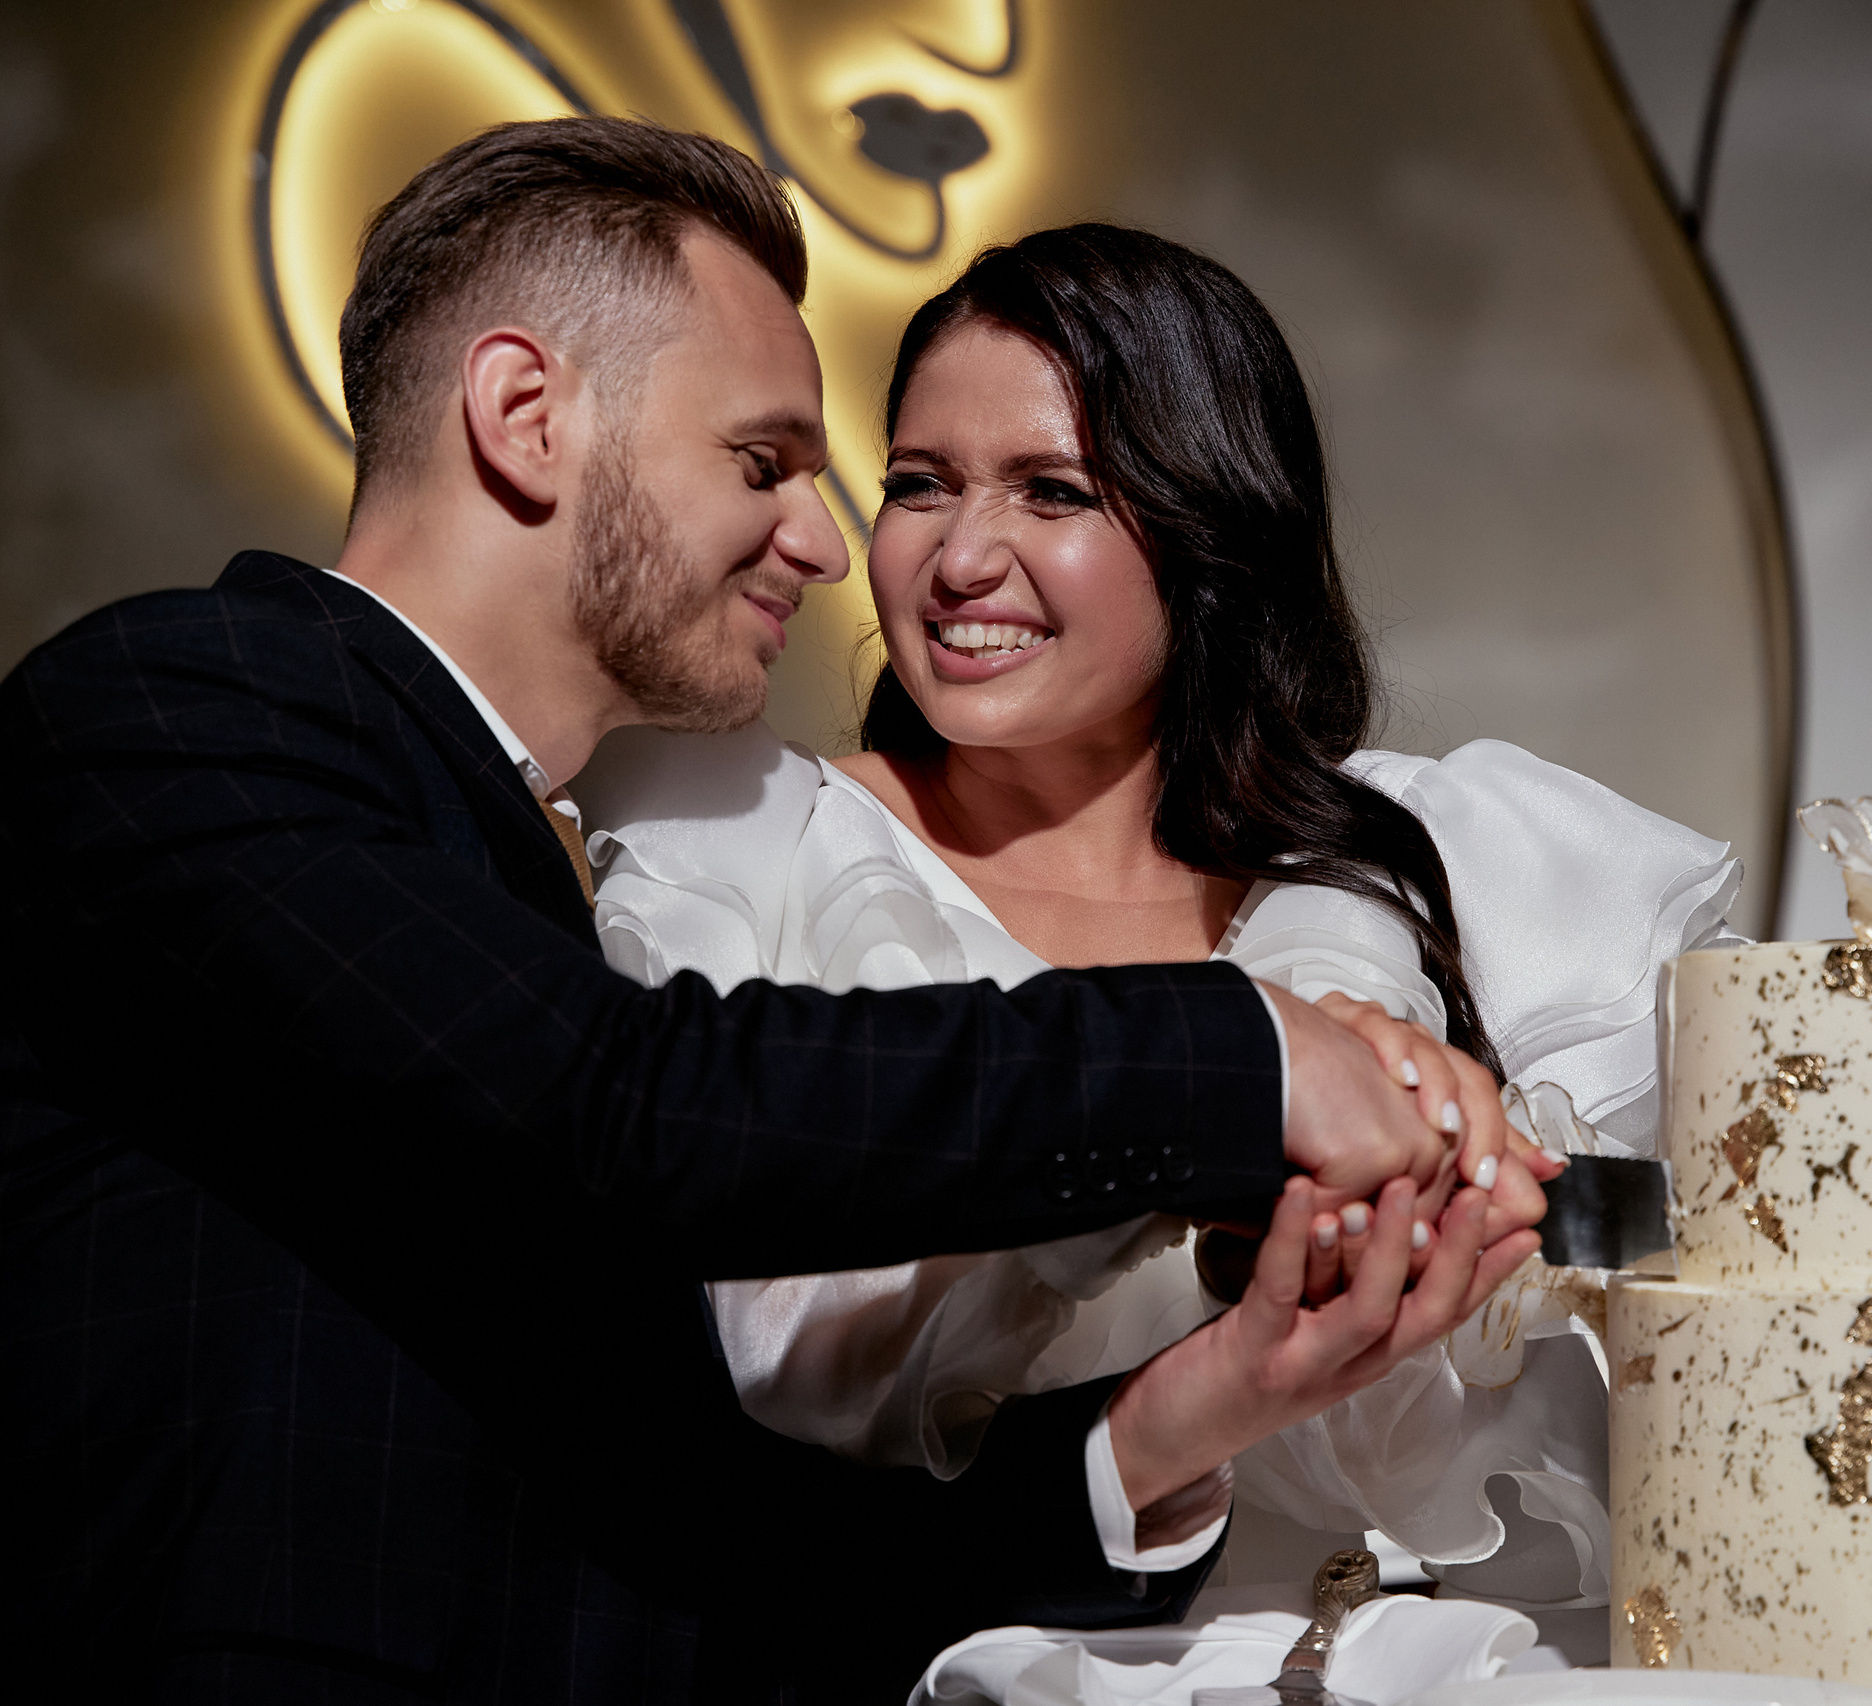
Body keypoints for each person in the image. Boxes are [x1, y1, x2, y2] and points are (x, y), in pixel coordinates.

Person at [0, 122, 1548, 1704]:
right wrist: (1243, 1055)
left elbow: (716, 1555)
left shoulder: (518, 874)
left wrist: (1180, 1414)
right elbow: (625, 1107)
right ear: (525, 416)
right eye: (763, 462)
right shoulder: (174, 703)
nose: (828, 545)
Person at [576, 224, 1746, 1622]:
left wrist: (1478, 1210)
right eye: (920, 484)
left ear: (1210, 531)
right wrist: (1189, 1148)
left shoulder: (1413, 860)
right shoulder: (745, 841)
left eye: (1052, 492)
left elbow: (1724, 1250)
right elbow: (745, 1356)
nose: (961, 557)